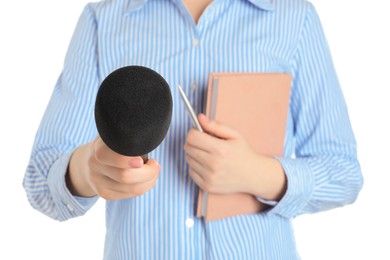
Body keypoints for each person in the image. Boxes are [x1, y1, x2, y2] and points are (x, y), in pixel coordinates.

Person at [23, 0, 364, 259]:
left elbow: (343, 172)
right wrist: (88, 170)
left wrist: (259, 174)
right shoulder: (105, 18)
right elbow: (40, 181)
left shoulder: (293, 17)